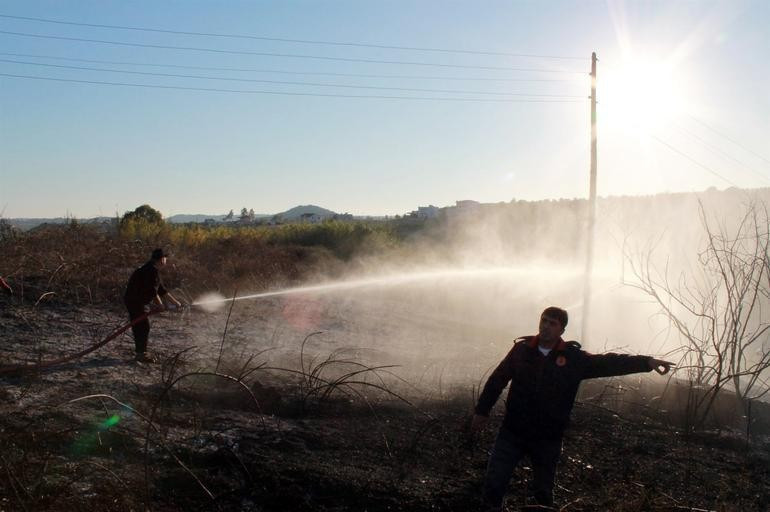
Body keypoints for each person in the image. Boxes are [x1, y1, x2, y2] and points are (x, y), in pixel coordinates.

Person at [471, 306, 674, 510]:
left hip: (548, 437)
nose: (546, 327)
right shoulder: (522, 350)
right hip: (512, 432)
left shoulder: (573, 359)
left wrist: (647, 362)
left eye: (553, 323)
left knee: (543, 494)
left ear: (562, 330)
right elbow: (497, 380)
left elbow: (610, 363)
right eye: (544, 321)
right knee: (493, 486)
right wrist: (482, 411)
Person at [124, 248, 182, 363]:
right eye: (165, 258)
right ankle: (141, 354)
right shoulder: (150, 271)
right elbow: (152, 291)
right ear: (161, 260)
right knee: (143, 327)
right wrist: (160, 305)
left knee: (141, 326)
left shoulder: (152, 270)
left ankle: (140, 352)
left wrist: (176, 303)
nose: (166, 261)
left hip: (135, 301)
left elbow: (161, 290)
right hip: (134, 301)